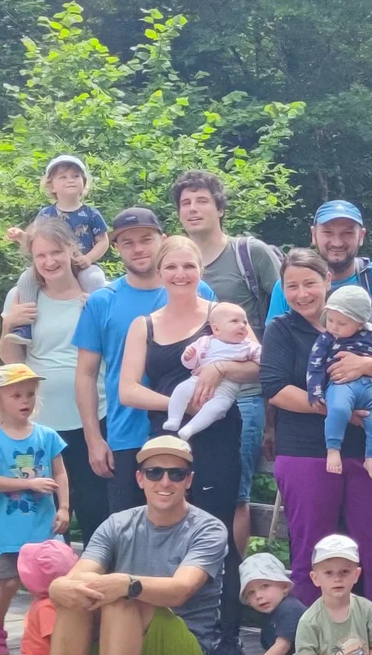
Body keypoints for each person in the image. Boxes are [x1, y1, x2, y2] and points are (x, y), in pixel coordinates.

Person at [14, 436, 233, 655]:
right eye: (155, 472)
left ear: (189, 481)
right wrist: (59, 587)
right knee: (76, 599)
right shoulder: (118, 524)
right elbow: (77, 578)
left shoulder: (208, 528)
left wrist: (127, 584)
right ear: (140, 478)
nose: (165, 482)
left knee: (122, 597)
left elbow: (181, 590)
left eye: (176, 474)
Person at [118, 238, 252, 643]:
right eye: (172, 267)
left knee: (218, 529)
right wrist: (180, 404)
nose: (181, 275)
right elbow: (128, 390)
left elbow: (259, 366)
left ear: (201, 270)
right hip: (167, 437)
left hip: (218, 436)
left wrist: (221, 369)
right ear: (159, 272)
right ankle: (164, 632)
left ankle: (225, 634)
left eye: (188, 266)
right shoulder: (144, 324)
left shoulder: (222, 315)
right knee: (164, 531)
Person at [262, 248, 372, 625]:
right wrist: (338, 412)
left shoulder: (363, 321)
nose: (301, 294)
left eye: (309, 283)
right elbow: (275, 388)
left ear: (327, 280)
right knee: (313, 550)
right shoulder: (281, 329)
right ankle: (311, 639)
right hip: (306, 452)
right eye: (291, 286)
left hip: (368, 451)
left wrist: (370, 365)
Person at [74, 210, 218, 514]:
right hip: (127, 434)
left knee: (194, 526)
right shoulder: (103, 301)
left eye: (146, 239)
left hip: (192, 431)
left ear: (162, 240)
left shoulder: (196, 289)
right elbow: (86, 374)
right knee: (129, 529)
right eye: (128, 242)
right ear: (116, 248)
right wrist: (93, 439)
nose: (138, 249)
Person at [175, 169, 282, 551]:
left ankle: (233, 579)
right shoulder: (176, 262)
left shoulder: (249, 254)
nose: (193, 208)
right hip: (189, 393)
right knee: (184, 491)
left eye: (202, 200)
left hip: (246, 394)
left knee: (234, 495)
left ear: (220, 208)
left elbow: (287, 312)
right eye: (186, 202)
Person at [0, 214, 111, 542]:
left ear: (71, 249)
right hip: (42, 425)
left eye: (56, 252)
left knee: (96, 513)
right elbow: (12, 362)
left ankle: (99, 574)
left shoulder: (98, 294)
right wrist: (8, 326)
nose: (49, 261)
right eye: (41, 255)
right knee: (44, 520)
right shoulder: (22, 297)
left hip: (94, 419)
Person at [0, 363, 69, 655]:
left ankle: (43, 632)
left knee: (51, 585)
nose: (25, 401)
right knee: (9, 582)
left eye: (29, 394)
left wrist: (64, 507)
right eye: (16, 395)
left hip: (44, 528)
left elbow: (60, 473)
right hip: (10, 531)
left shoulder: (47, 436)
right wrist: (29, 483)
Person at [180, 551, 308, 655]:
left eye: (265, 586)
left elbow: (281, 647)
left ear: (284, 586)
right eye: (251, 593)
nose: (258, 596)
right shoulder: (270, 614)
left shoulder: (290, 608)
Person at [4, 154, 109, 340]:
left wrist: (89, 258)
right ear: (51, 186)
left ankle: (96, 322)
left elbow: (103, 241)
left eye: (75, 176)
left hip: (82, 265)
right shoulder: (46, 214)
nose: (70, 180)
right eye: (63, 177)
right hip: (52, 262)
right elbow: (35, 243)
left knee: (95, 279)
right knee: (26, 279)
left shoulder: (91, 214)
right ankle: (24, 328)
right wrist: (21, 236)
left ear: (84, 183)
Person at [266, 200, 372, 323]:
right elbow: (273, 339)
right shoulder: (290, 286)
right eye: (327, 232)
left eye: (347, 233)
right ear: (314, 235)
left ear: (361, 236)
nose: (337, 243)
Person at [309, 285, 372, 479]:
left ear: (360, 323)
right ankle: (333, 449)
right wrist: (315, 390)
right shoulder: (327, 338)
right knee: (339, 409)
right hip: (340, 384)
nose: (333, 326)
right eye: (330, 320)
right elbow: (315, 363)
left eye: (342, 323)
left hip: (370, 388)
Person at [165, 302, 261, 440]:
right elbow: (191, 364)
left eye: (245, 322)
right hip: (198, 382)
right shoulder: (205, 342)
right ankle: (174, 419)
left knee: (218, 408)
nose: (242, 325)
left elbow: (263, 364)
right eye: (234, 321)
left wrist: (222, 368)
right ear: (216, 329)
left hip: (226, 390)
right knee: (181, 389)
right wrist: (188, 356)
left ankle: (190, 428)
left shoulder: (249, 346)